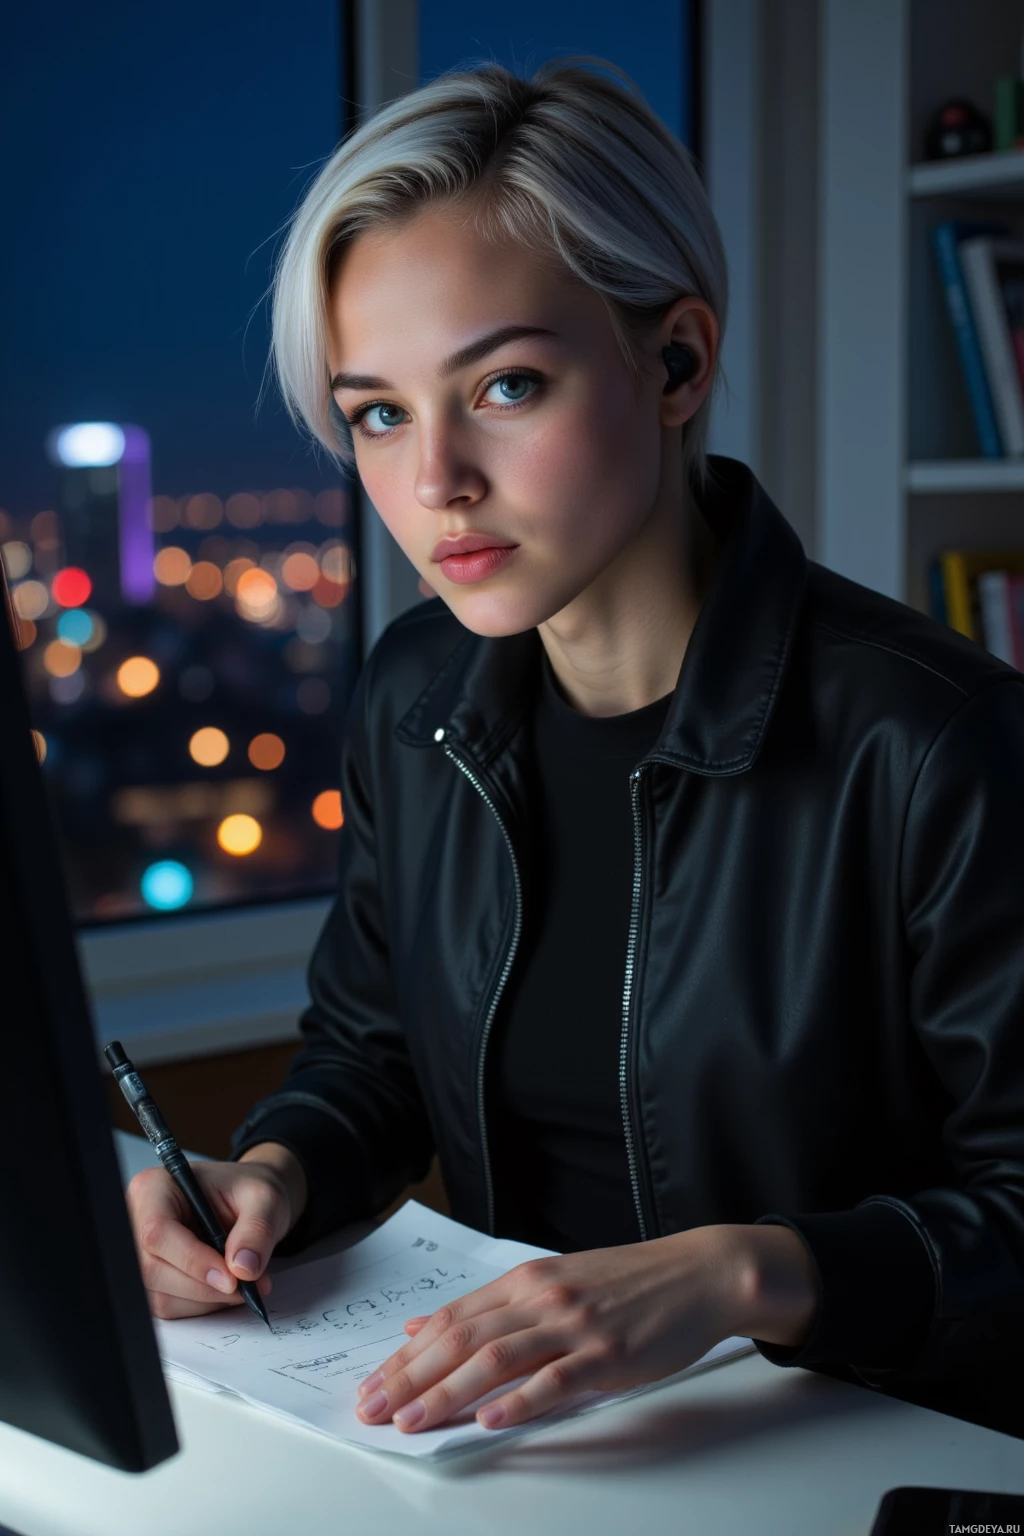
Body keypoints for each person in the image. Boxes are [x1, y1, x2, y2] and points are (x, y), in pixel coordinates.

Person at [126, 55, 1024, 1441]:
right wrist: (274, 1171)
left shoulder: (932, 742)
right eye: (378, 413)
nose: (433, 484)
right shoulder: (416, 695)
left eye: (505, 387)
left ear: (676, 363)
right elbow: (370, 1055)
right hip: (514, 1442)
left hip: (845, 1449)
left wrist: (742, 1274)